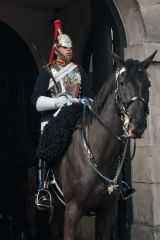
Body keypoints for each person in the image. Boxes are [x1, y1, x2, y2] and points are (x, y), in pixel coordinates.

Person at [31, 19, 91, 208]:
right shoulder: (47, 72)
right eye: (65, 48)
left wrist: (80, 101)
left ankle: (114, 183)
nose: (69, 51)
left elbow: (90, 97)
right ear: (57, 49)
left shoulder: (79, 70)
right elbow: (36, 100)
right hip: (54, 118)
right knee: (46, 143)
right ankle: (43, 188)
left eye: (70, 48)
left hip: (78, 116)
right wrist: (58, 101)